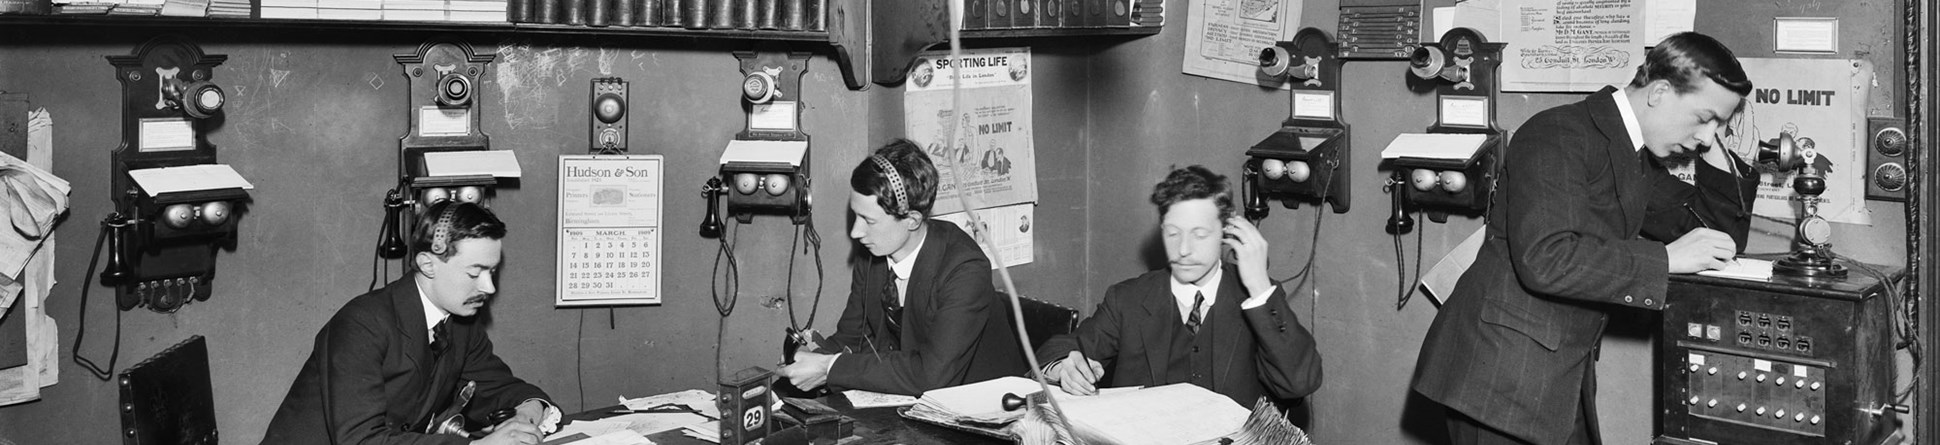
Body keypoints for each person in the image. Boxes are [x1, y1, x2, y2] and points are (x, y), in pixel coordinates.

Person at [1412, 32, 1759, 445]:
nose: (1705, 137)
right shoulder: (1560, 133)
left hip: (1554, 376)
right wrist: (1665, 260)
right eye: (1704, 118)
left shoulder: (1633, 153)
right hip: (1498, 377)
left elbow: (1715, 238)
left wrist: (1716, 141)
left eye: (1719, 124)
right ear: (1660, 92)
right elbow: (1547, 257)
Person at [262, 201, 559, 445]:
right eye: (475, 273)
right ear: (428, 264)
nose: (489, 287)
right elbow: (360, 440)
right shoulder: (361, 325)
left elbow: (497, 388)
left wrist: (527, 412)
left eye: (492, 272)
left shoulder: (460, 324)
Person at [1035, 165, 1323, 406]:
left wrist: (1260, 288)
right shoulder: (1129, 299)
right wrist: (1063, 368)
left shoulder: (1257, 299)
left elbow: (1300, 382)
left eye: (1199, 234)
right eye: (1173, 233)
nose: (1183, 249)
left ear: (1226, 231)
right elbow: (1059, 350)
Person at [774, 139, 1028, 395]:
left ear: (912, 220)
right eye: (856, 215)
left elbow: (931, 376)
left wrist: (829, 367)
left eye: (868, 220)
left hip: (983, 409)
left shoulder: (964, 269)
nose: (855, 232)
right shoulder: (874, 252)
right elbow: (850, 337)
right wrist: (813, 357)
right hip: (912, 402)